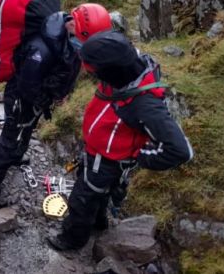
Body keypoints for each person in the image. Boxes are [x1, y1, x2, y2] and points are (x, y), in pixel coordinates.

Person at [48, 31, 193, 251]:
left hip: (107, 161)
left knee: (82, 198)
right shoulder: (125, 67)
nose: (93, 75)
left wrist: (139, 156)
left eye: (94, 71)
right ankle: (98, 224)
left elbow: (181, 150)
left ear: (109, 70)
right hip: (98, 153)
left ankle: (72, 240)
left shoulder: (144, 104)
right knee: (98, 193)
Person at [0, 2, 112, 207]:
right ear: (75, 26)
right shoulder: (41, 49)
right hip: (22, 98)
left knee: (26, 130)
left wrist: (55, 96)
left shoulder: (68, 38)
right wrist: (41, 101)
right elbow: (26, 84)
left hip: (39, 98)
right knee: (11, 138)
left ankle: (15, 156)